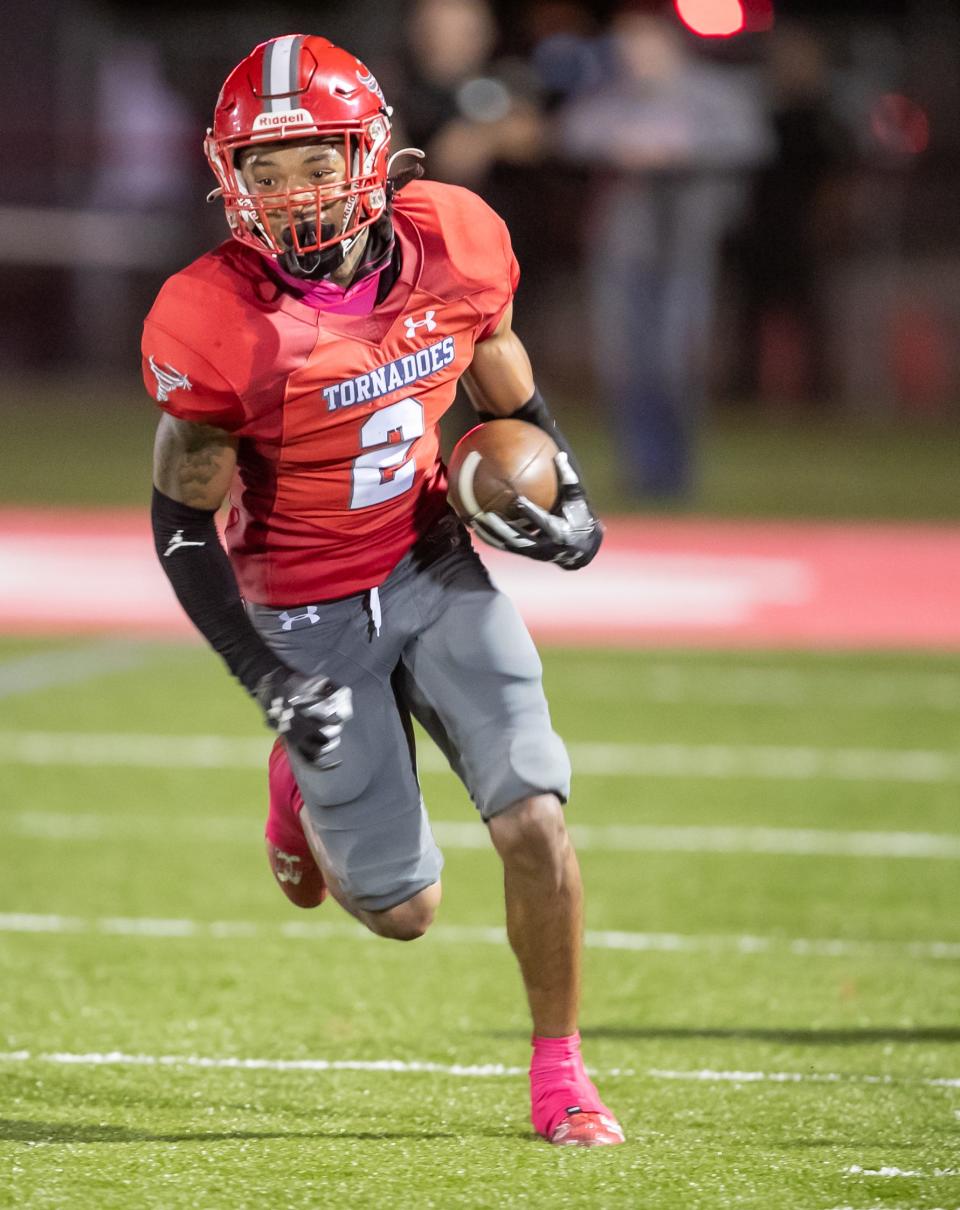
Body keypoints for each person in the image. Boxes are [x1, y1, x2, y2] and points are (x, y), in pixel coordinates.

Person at [142, 34, 623, 1148]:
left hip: (430, 560)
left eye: (314, 162)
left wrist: (566, 486)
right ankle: (295, 785)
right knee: (403, 913)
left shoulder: (456, 235)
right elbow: (180, 520)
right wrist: (268, 679)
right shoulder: (211, 316)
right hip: (302, 604)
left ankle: (562, 1077)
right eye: (264, 171)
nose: (290, 192)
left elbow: (496, 359)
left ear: (371, 154)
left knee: (535, 818)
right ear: (227, 179)